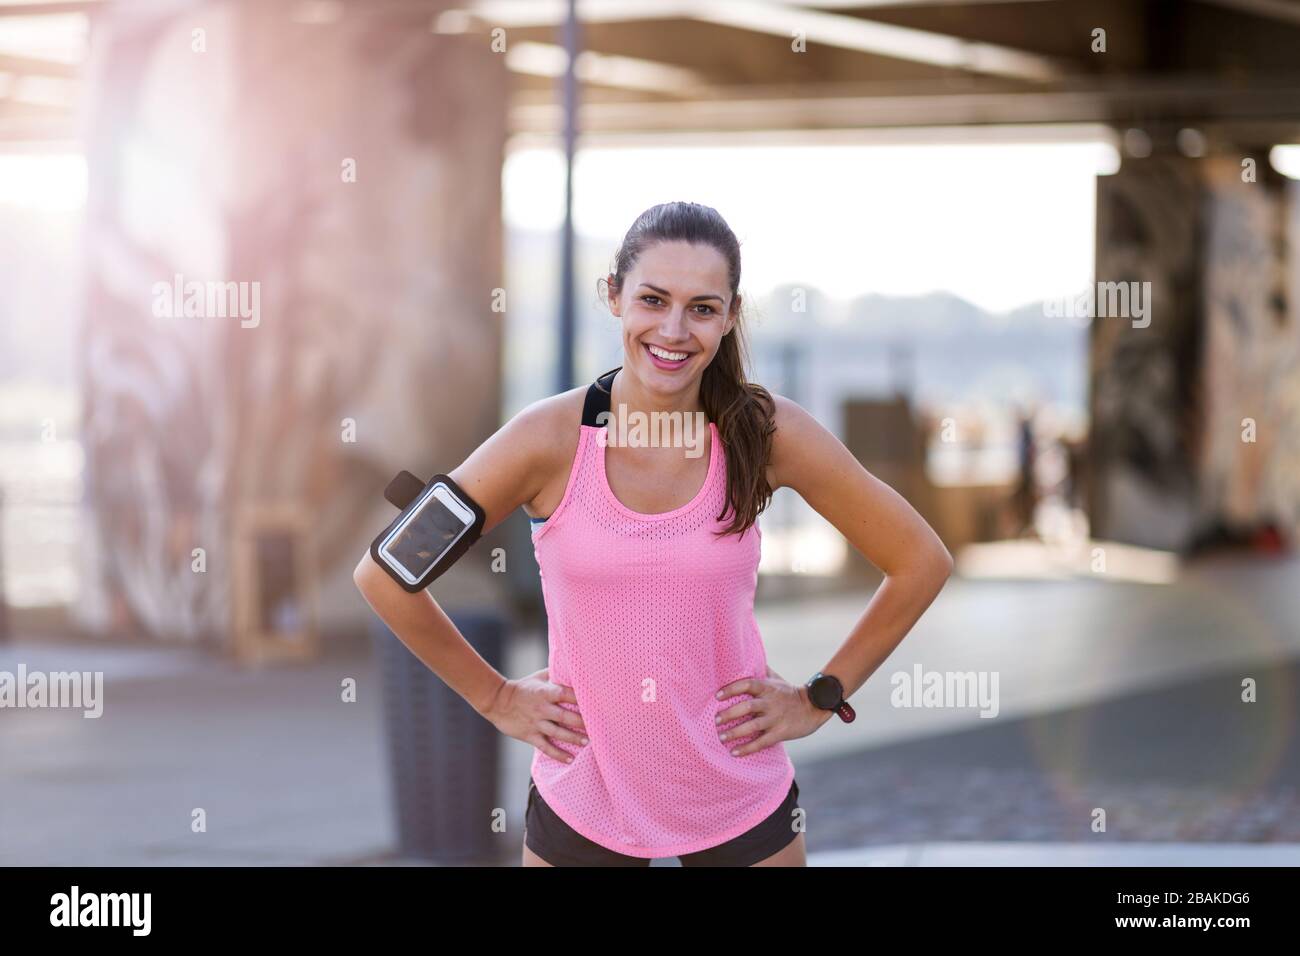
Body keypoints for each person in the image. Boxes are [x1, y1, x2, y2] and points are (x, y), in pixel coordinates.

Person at [353, 201, 953, 867]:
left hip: (738, 802)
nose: (674, 329)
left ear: (729, 317)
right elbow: (385, 575)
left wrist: (820, 696)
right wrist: (493, 697)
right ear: (614, 297)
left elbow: (919, 560)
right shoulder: (545, 440)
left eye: (701, 308)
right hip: (582, 803)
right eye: (653, 299)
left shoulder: (768, 433)